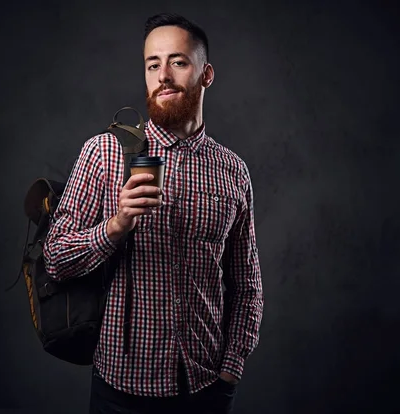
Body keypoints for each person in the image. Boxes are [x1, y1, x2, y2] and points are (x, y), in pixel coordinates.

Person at [43, 12, 264, 414]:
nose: (163, 75)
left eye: (178, 62)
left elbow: (247, 283)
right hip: (121, 389)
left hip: (205, 388)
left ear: (206, 74)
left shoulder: (233, 170)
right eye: (152, 64)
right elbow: (55, 259)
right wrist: (116, 225)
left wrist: (231, 369)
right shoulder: (104, 153)